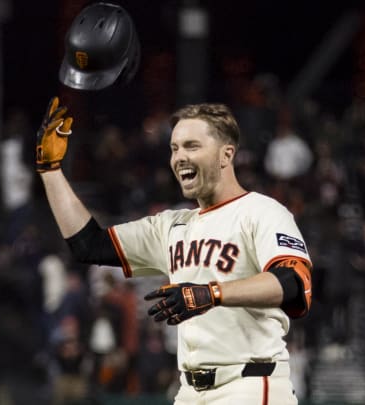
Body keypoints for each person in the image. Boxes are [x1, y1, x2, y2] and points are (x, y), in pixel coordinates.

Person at [35, 96, 313, 404]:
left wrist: (212, 293)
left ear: (226, 154)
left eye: (192, 146)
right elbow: (88, 245)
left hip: (248, 384)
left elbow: (294, 282)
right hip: (189, 391)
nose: (179, 156)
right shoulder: (171, 225)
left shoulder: (262, 211)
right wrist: (51, 171)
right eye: (174, 148)